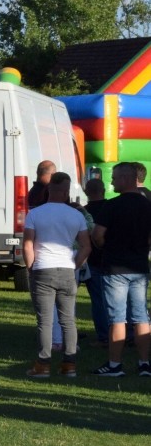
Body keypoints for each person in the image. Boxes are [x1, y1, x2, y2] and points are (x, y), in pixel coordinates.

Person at [22, 172, 91, 378]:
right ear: (67, 191)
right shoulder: (76, 215)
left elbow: (27, 244)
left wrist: (31, 266)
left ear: (49, 188)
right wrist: (75, 265)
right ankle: (69, 364)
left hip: (43, 268)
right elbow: (86, 246)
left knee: (45, 321)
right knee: (68, 320)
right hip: (67, 269)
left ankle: (43, 364)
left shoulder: (35, 213)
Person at [91, 162, 151, 377]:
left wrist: (103, 245)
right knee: (141, 317)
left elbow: (98, 234)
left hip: (115, 267)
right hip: (139, 266)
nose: (112, 182)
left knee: (117, 318)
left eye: (115, 178)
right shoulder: (147, 205)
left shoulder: (112, 205)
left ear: (126, 179)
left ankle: (115, 365)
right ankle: (145, 363)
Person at [83, 179, 109, 347]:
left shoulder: (83, 212)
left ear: (86, 192)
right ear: (104, 190)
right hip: (112, 259)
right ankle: (128, 333)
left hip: (92, 260)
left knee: (98, 301)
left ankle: (103, 335)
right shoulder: (112, 208)